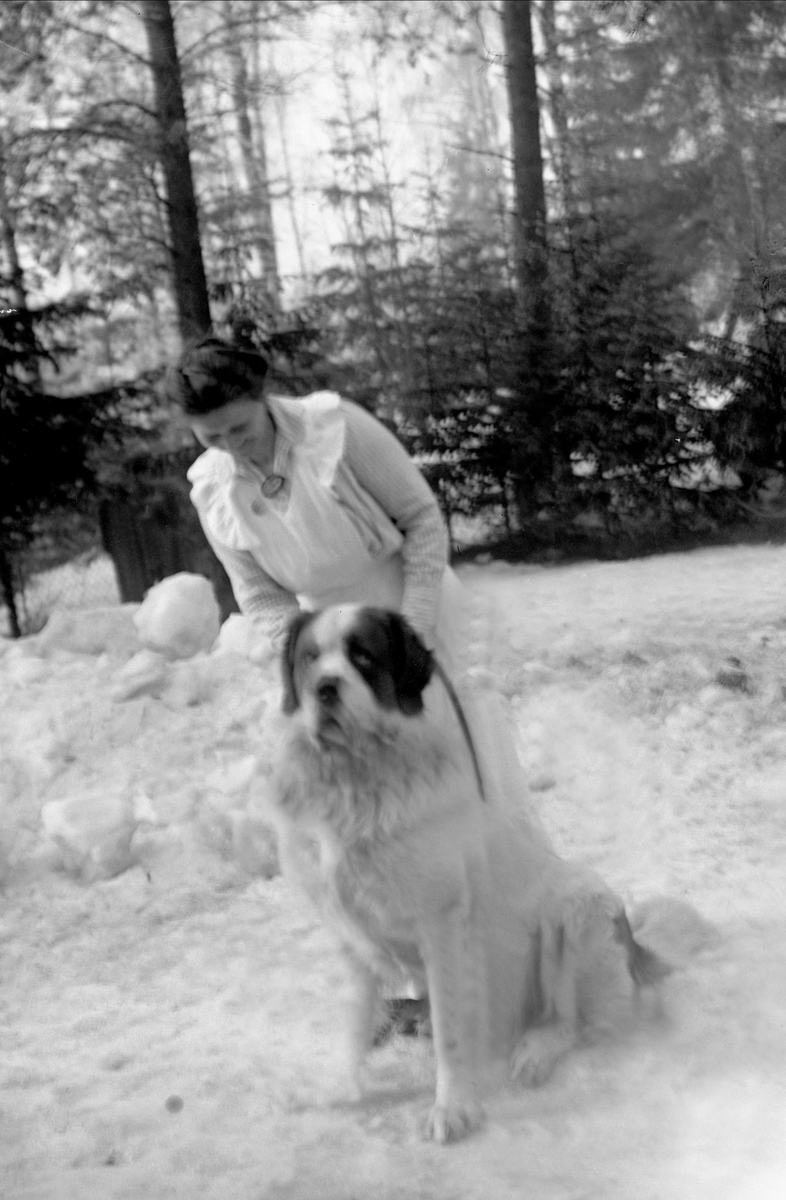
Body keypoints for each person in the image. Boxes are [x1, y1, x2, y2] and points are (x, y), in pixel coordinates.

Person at [165, 335, 548, 842]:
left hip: (413, 602)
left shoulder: (335, 428)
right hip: (331, 644)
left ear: (262, 398)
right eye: (213, 437)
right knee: (381, 788)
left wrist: (412, 629)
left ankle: (512, 896)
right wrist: (304, 653)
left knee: (462, 768)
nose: (233, 446)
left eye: (241, 427)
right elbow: (257, 593)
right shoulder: (213, 488)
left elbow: (422, 519)